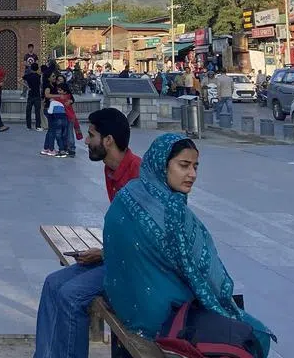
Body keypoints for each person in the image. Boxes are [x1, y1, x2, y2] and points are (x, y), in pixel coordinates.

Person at [104, 133, 274, 357]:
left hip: (124, 300)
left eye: (195, 167)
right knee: (256, 334)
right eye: (183, 165)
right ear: (162, 165)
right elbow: (211, 277)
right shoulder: (173, 211)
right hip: (162, 317)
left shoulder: (129, 193)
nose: (192, 174)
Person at [35, 108, 141, 358]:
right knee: (52, 284)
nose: (85, 140)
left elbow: (141, 241)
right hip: (114, 257)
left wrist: (104, 254)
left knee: (71, 296)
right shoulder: (110, 168)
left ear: (108, 140)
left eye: (91, 135)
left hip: (132, 266)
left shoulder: (138, 176)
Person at [23, 62, 44, 131]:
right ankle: (38, 126)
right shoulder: (39, 76)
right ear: (37, 68)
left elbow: (19, 80)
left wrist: (27, 87)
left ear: (31, 68)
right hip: (37, 95)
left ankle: (28, 126)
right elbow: (41, 85)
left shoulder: (28, 76)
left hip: (30, 95)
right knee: (37, 111)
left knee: (28, 111)